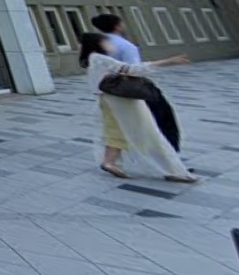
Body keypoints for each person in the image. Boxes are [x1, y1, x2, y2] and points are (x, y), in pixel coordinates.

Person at [78, 32, 196, 183]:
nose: (111, 44)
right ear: (98, 43)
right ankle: (172, 169)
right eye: (106, 41)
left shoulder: (93, 59)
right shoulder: (100, 58)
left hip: (107, 99)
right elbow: (131, 69)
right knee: (148, 131)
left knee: (116, 130)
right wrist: (167, 62)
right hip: (121, 100)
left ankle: (109, 162)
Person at [92, 13, 182, 153]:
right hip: (130, 89)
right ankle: (169, 154)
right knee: (163, 121)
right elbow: (134, 70)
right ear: (117, 26)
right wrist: (168, 62)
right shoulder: (126, 46)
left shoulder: (96, 44)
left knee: (118, 128)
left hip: (108, 90)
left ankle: (116, 158)